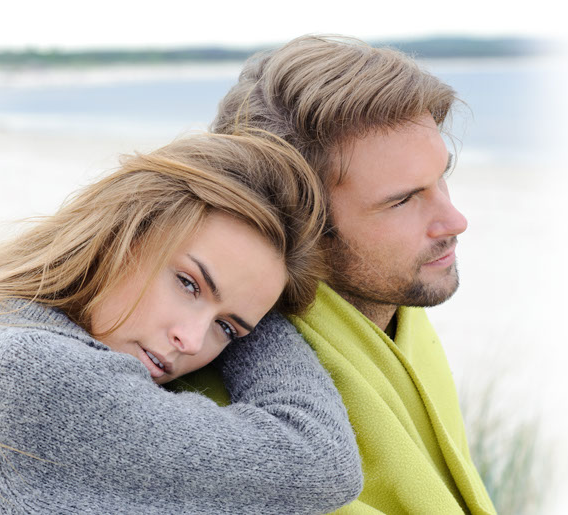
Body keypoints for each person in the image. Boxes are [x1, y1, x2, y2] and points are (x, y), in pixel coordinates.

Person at [0, 131, 363, 514]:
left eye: (229, 330)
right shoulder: (33, 374)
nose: (191, 339)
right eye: (188, 283)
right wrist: (258, 309)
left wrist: (252, 293)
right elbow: (319, 460)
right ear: (122, 232)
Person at [179, 35, 498, 514]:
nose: (455, 221)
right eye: (402, 200)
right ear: (298, 223)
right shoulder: (225, 411)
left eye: (442, 175)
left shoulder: (395, 307)